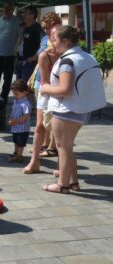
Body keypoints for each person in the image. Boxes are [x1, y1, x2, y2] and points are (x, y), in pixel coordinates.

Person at [40, 25, 106, 194]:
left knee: (63, 147)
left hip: (66, 109)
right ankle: (73, 182)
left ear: (66, 41)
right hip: (81, 109)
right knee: (67, 147)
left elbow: (65, 89)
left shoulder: (67, 61)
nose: (52, 44)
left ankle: (62, 185)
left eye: (55, 40)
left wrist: (46, 88)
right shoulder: (87, 57)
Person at [24, 18, 62, 174]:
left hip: (60, 93)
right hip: (48, 89)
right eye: (50, 35)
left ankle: (61, 164)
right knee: (39, 126)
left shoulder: (67, 53)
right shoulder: (45, 55)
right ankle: (34, 162)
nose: (51, 37)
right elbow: (45, 80)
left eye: (55, 36)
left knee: (60, 130)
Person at [0, 3, 22, 102]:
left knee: (7, 79)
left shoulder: (17, 21)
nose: (6, 10)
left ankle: (3, 98)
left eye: (9, 9)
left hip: (9, 55)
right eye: (5, 9)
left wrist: (17, 51)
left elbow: (20, 37)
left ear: (12, 9)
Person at [16, 6, 43, 81]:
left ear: (32, 15)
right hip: (20, 60)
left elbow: (43, 44)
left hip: (29, 63)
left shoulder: (37, 28)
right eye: (23, 13)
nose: (23, 15)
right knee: (18, 86)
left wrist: (34, 57)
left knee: (24, 87)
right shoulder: (25, 27)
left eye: (25, 13)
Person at [8, 80, 32, 163]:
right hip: (16, 128)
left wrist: (14, 121)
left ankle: (19, 155)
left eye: (16, 94)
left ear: (25, 92)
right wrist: (11, 118)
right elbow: (13, 111)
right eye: (14, 94)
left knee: (20, 143)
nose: (15, 96)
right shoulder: (16, 101)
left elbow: (25, 117)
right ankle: (16, 153)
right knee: (16, 141)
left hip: (22, 129)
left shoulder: (25, 104)